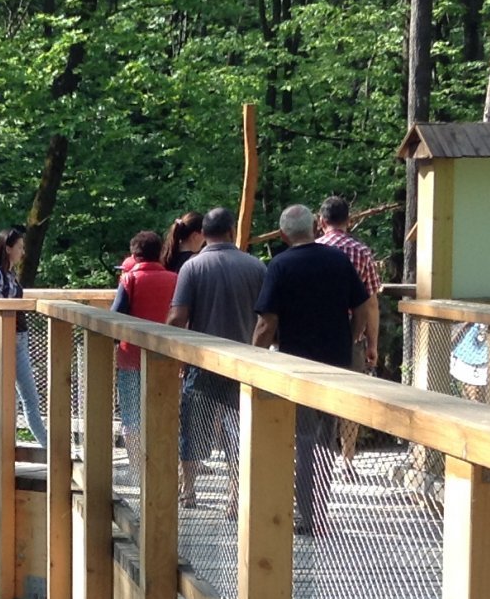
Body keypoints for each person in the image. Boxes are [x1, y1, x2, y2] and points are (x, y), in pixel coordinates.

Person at [253, 203, 368, 536]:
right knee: (325, 437)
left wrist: (252, 356)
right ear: (315, 227)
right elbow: (361, 305)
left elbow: (266, 322)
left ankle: (305, 513)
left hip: (296, 365)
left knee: (302, 439)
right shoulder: (338, 260)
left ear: (285, 233)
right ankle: (318, 507)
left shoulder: (281, 265)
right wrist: (352, 336)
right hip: (335, 363)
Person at [167, 207, 264, 512]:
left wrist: (170, 352)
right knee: (240, 431)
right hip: (244, 364)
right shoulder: (257, 267)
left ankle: (189, 491)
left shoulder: (193, 268)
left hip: (201, 362)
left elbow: (178, 317)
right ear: (232, 231)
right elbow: (267, 318)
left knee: (193, 430)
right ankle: (236, 497)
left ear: (204, 233)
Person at [0, 227, 47, 451]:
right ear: (8, 248)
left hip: (17, 341)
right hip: (6, 341)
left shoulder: (10, 275)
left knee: (24, 399)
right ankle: (47, 449)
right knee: (22, 400)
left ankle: (42, 448)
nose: (23, 252)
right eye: (20, 247)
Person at [112, 230, 179, 475]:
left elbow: (115, 315)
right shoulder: (175, 279)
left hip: (131, 357)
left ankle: (137, 468)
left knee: (131, 414)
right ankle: (162, 466)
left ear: (134, 255)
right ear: (159, 253)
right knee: (162, 411)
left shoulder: (129, 279)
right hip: (166, 357)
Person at [315, 196, 381, 373]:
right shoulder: (362, 252)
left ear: (321, 221)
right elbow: (371, 304)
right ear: (349, 221)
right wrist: (372, 345)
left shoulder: (311, 251)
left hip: (316, 336)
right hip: (351, 336)